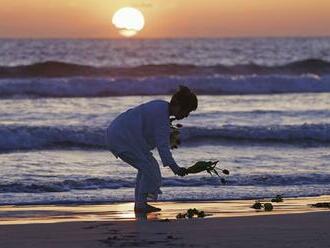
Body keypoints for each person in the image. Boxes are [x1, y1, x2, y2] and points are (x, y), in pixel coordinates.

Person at [106, 86, 198, 213]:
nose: (186, 116)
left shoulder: (161, 108)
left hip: (121, 134)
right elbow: (162, 147)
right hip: (123, 137)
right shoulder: (161, 114)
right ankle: (141, 204)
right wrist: (175, 168)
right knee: (149, 167)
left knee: (147, 167)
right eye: (186, 111)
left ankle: (140, 203)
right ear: (177, 105)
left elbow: (151, 130)